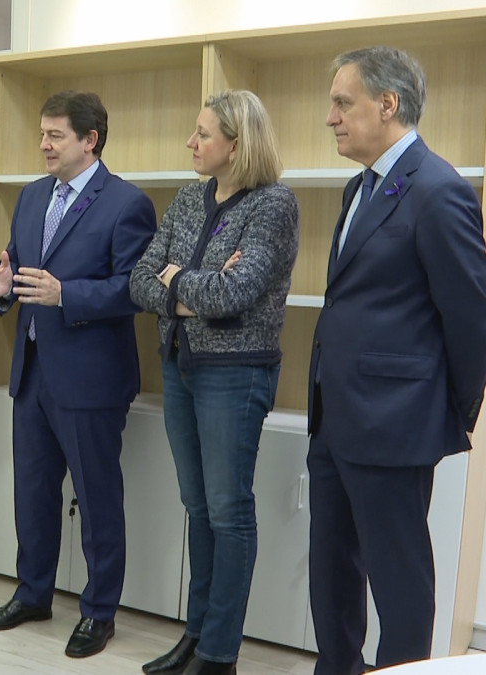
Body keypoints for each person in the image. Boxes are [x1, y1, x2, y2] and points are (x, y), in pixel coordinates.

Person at [308, 46, 486, 673]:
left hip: (394, 426)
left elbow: (471, 322)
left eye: (342, 102)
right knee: (331, 572)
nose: (330, 116)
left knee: (399, 586)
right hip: (335, 420)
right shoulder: (359, 188)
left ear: (388, 104)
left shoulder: (438, 190)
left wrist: (446, 416)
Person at [0, 90, 156, 658]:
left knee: (98, 499)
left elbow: (134, 288)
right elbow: (17, 265)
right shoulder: (32, 196)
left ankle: (99, 612)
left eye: (55, 135)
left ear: (90, 140)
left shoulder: (127, 203)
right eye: (43, 133)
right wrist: (5, 291)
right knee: (32, 493)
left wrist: (65, 294)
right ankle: (33, 593)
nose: (44, 143)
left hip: (91, 379)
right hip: (32, 373)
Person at [130, 90, 299, 675]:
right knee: (197, 508)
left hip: (235, 373)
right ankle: (195, 635)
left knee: (229, 513)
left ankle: (219, 653)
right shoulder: (186, 198)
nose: (191, 142)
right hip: (179, 365)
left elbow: (236, 293)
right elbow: (139, 281)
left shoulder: (273, 205)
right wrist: (186, 288)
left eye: (203, 133)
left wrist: (178, 281)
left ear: (237, 142)